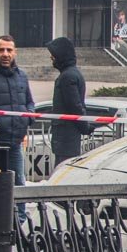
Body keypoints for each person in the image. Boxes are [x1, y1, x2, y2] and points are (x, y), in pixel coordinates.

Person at [0, 34, 35, 218]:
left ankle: (20, 220)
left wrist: (27, 118)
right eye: (1, 50)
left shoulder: (21, 75)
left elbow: (30, 102)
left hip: (15, 142)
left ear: (15, 52)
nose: (5, 54)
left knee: (19, 183)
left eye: (9, 50)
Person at [47, 36, 93, 167]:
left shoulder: (67, 77)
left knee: (63, 169)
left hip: (66, 138)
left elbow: (75, 106)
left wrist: (85, 127)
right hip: (66, 137)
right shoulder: (70, 74)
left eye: (54, 55)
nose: (51, 58)